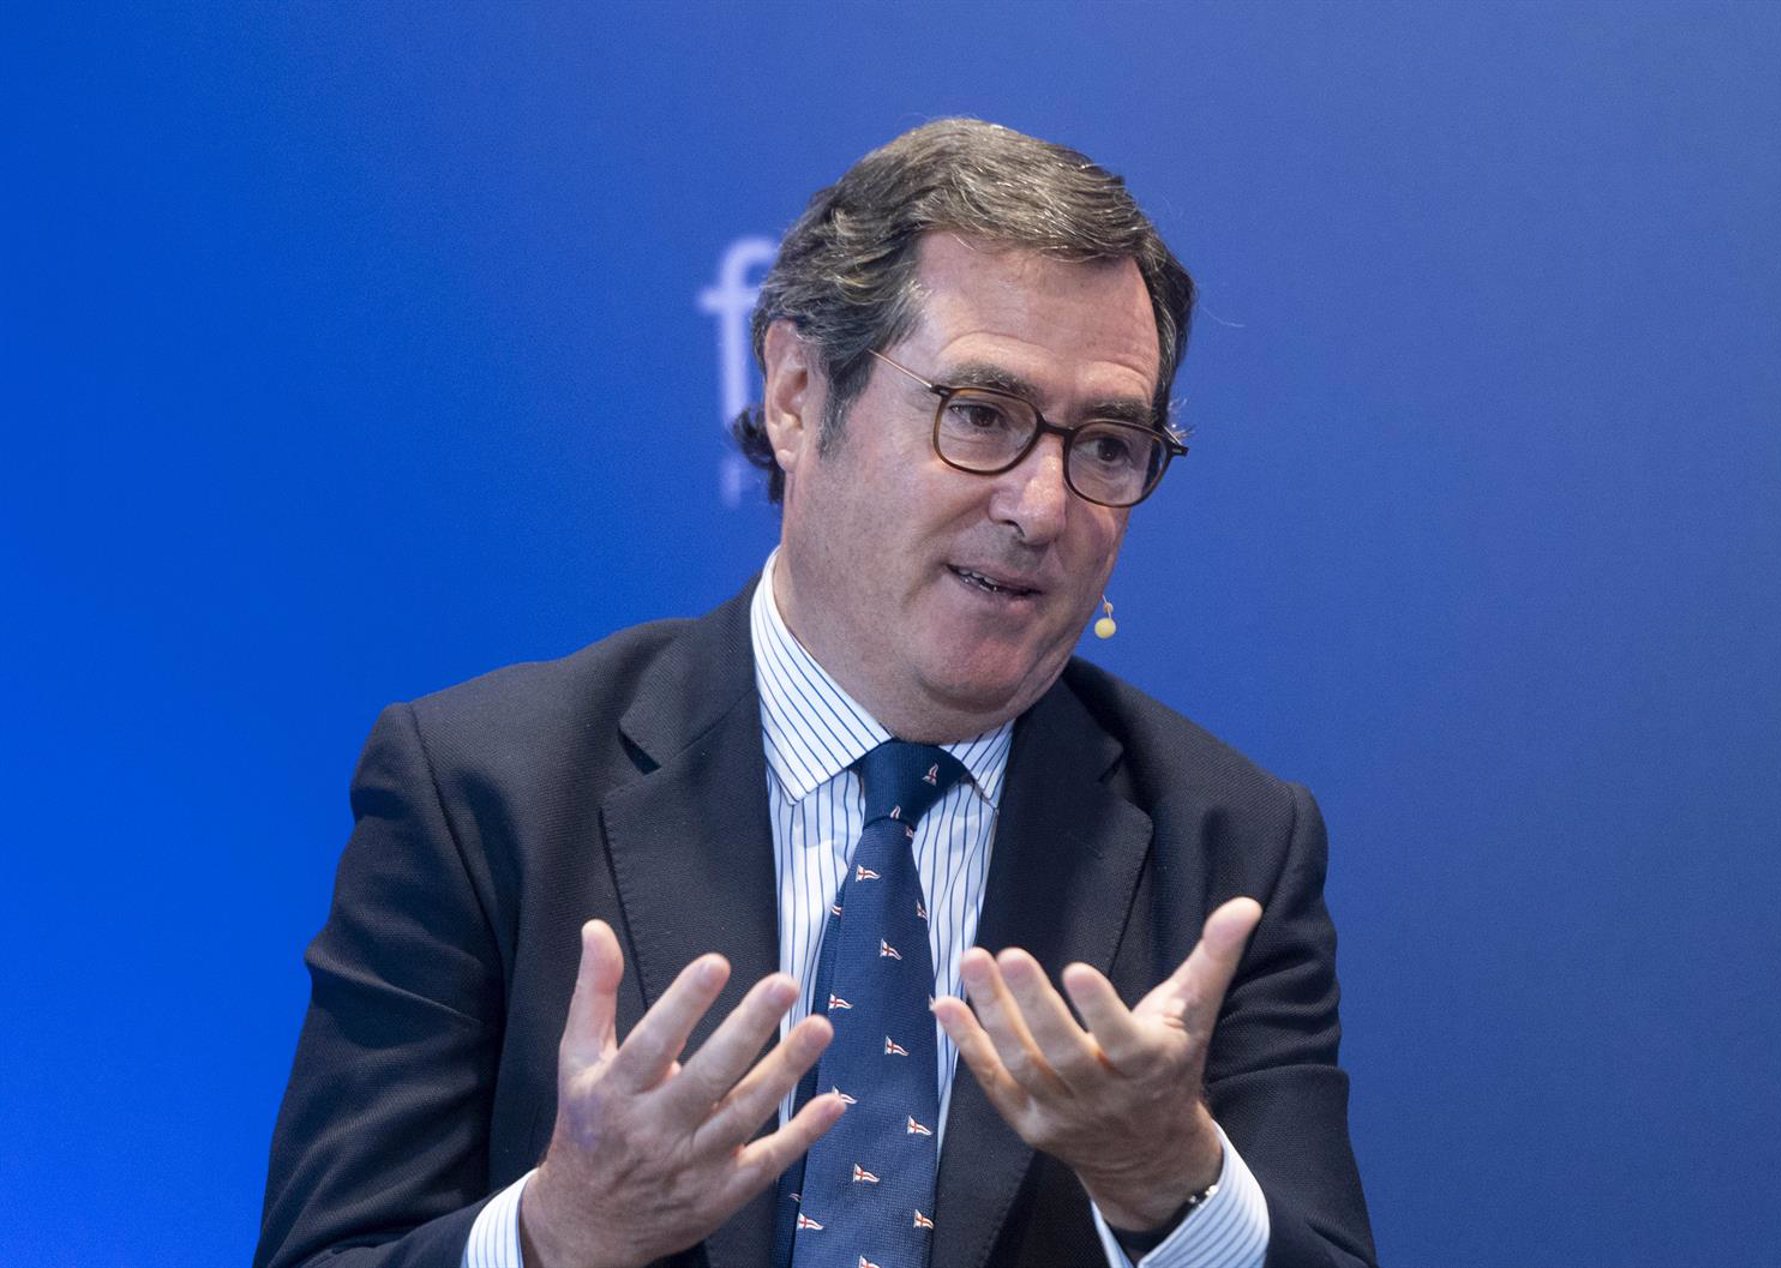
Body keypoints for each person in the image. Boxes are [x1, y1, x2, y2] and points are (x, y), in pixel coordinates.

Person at [256, 118, 1376, 1268]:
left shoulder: (1228, 844)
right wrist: (556, 1235)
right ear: (797, 393)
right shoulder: (483, 787)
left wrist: (1170, 1181)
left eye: (1105, 444)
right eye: (980, 415)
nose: (1043, 507)